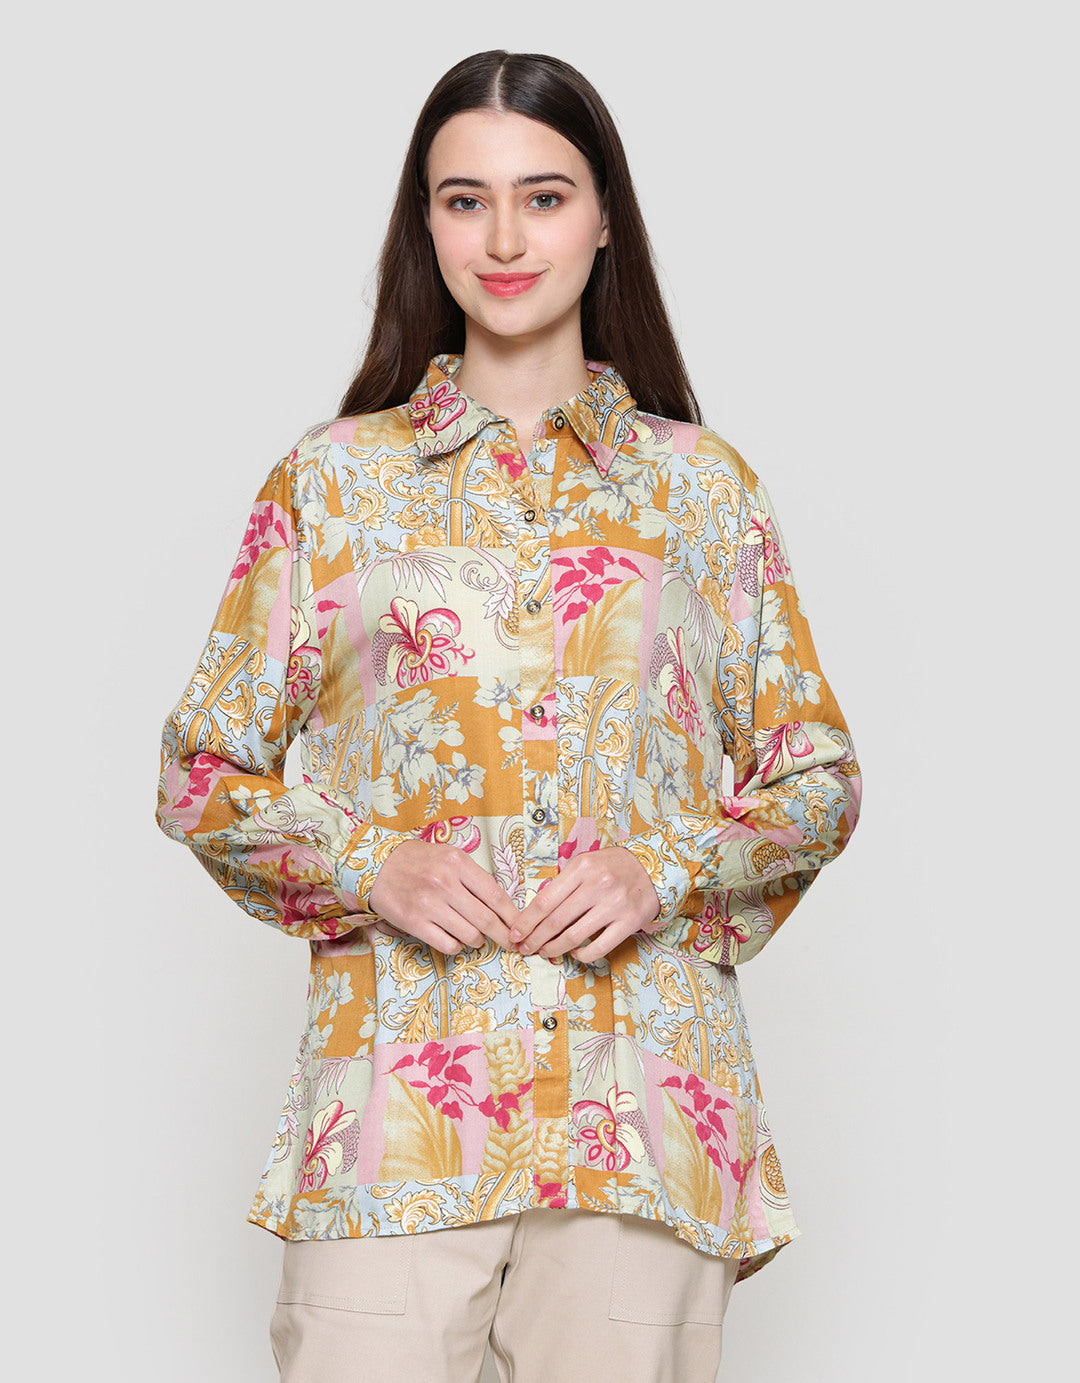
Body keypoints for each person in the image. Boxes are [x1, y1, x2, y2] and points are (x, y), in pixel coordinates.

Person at [156, 48, 861, 1383]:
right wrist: (370, 864)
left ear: (603, 221)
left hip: (642, 1113)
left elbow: (815, 776)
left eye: (544, 196)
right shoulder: (332, 486)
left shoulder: (702, 493)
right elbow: (201, 770)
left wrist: (662, 870)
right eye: (464, 199)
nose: (505, 237)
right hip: (395, 1116)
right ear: (425, 226)